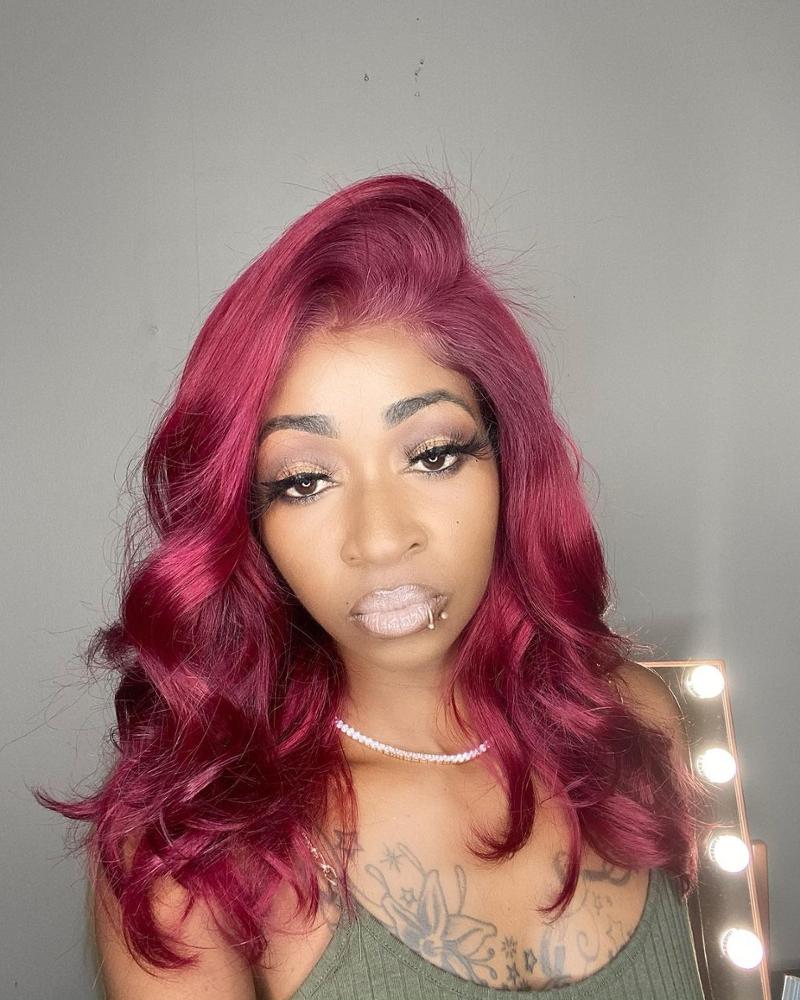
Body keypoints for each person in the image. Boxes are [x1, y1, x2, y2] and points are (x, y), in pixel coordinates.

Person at [35, 172, 712, 999]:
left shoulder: (634, 722)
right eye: (304, 480)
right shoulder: (194, 860)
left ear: (509, 463)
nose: (382, 539)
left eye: (433, 454)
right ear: (247, 520)